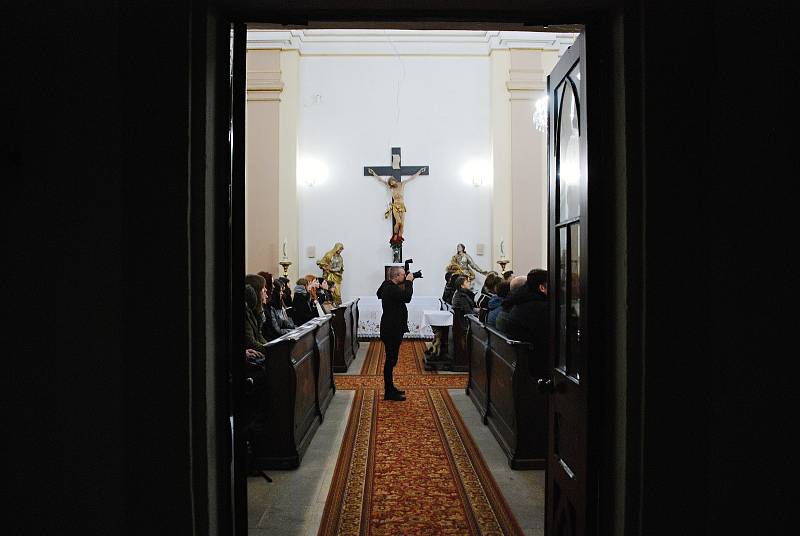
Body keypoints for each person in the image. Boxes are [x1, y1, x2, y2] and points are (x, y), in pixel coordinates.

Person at [376, 265, 414, 401]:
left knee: (391, 360)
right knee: (390, 361)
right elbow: (407, 297)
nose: (404, 277)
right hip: (392, 329)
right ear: (396, 276)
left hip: (390, 328)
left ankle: (390, 388)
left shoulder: (387, 285)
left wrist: (406, 281)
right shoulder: (391, 288)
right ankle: (389, 392)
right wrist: (409, 282)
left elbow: (378, 293)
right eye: (403, 275)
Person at [496, 269, 549, 350]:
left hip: (516, 354)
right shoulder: (540, 307)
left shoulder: (520, 301)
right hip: (532, 356)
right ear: (542, 288)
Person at [369, 167, 426, 240]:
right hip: (395, 206)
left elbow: (412, 178)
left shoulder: (402, 184)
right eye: (390, 182)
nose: (392, 183)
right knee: (398, 222)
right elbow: (381, 180)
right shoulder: (391, 187)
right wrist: (373, 173)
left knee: (402, 224)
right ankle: (395, 235)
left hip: (402, 206)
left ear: (394, 180)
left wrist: (420, 172)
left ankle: (399, 239)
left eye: (392, 181)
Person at [244, 283, 271, 355]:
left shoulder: (250, 311)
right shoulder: (250, 311)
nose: (266, 293)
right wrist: (270, 350)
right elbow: (251, 341)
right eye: (263, 290)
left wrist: (269, 347)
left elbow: (258, 334)